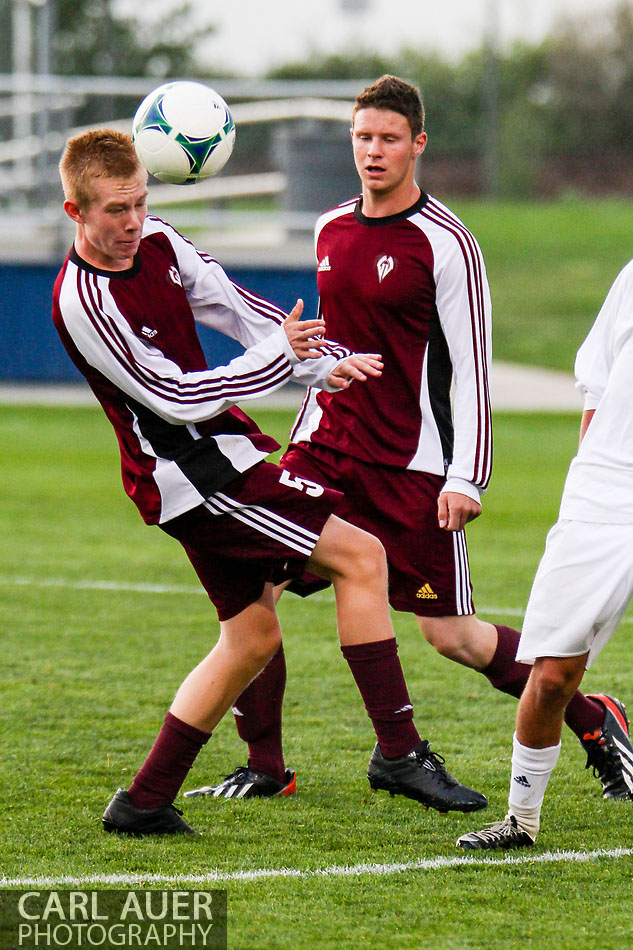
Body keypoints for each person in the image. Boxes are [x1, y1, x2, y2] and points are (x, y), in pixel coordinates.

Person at [186, 75, 633, 806]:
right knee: (252, 591)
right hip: (324, 450)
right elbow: (326, 343)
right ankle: (266, 764)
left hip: (412, 469)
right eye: (362, 138)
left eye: (388, 138)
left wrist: (466, 477)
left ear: (417, 145)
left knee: (451, 636)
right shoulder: (330, 228)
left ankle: (591, 717)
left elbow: (470, 369)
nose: (373, 151)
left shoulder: (446, 242)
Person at [52, 128, 488, 836]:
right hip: (197, 476)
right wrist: (282, 361)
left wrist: (323, 359)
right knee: (361, 557)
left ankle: (144, 799)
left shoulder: (158, 240)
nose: (131, 223)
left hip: (217, 459)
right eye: (112, 212)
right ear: (76, 212)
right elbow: (175, 398)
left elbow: (234, 306)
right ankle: (399, 755)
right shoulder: (83, 302)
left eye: (138, 204)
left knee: (250, 636)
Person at [457, 258, 633, 850]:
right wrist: (592, 477)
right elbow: (598, 381)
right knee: (554, 673)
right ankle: (521, 820)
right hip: (608, 492)